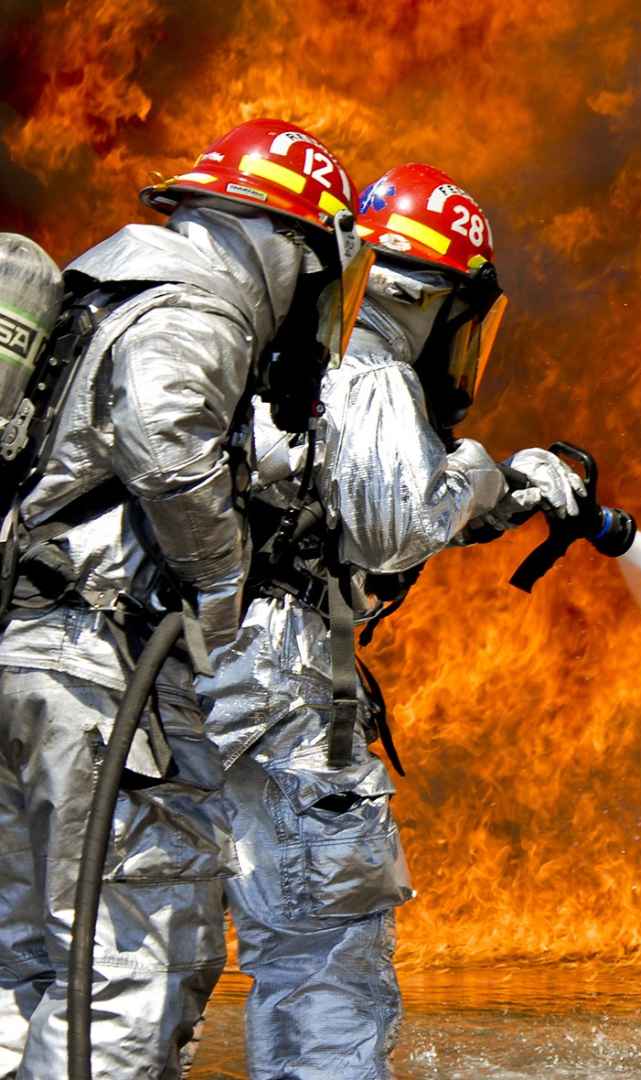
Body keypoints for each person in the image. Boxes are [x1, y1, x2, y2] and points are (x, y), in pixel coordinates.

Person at [199, 161, 582, 1078]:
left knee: (149, 943)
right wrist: (499, 469)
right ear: (436, 299)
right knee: (323, 951)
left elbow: (338, 496)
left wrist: (498, 495)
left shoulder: (269, 353)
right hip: (283, 689)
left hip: (189, 674)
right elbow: (395, 522)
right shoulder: (368, 368)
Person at [0, 118, 362, 1078]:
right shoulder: (193, 308)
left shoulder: (97, 287)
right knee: (137, 953)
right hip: (99, 669)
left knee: (29, 957)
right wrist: (220, 588)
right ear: (279, 241)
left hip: (25, 649)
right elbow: (164, 438)